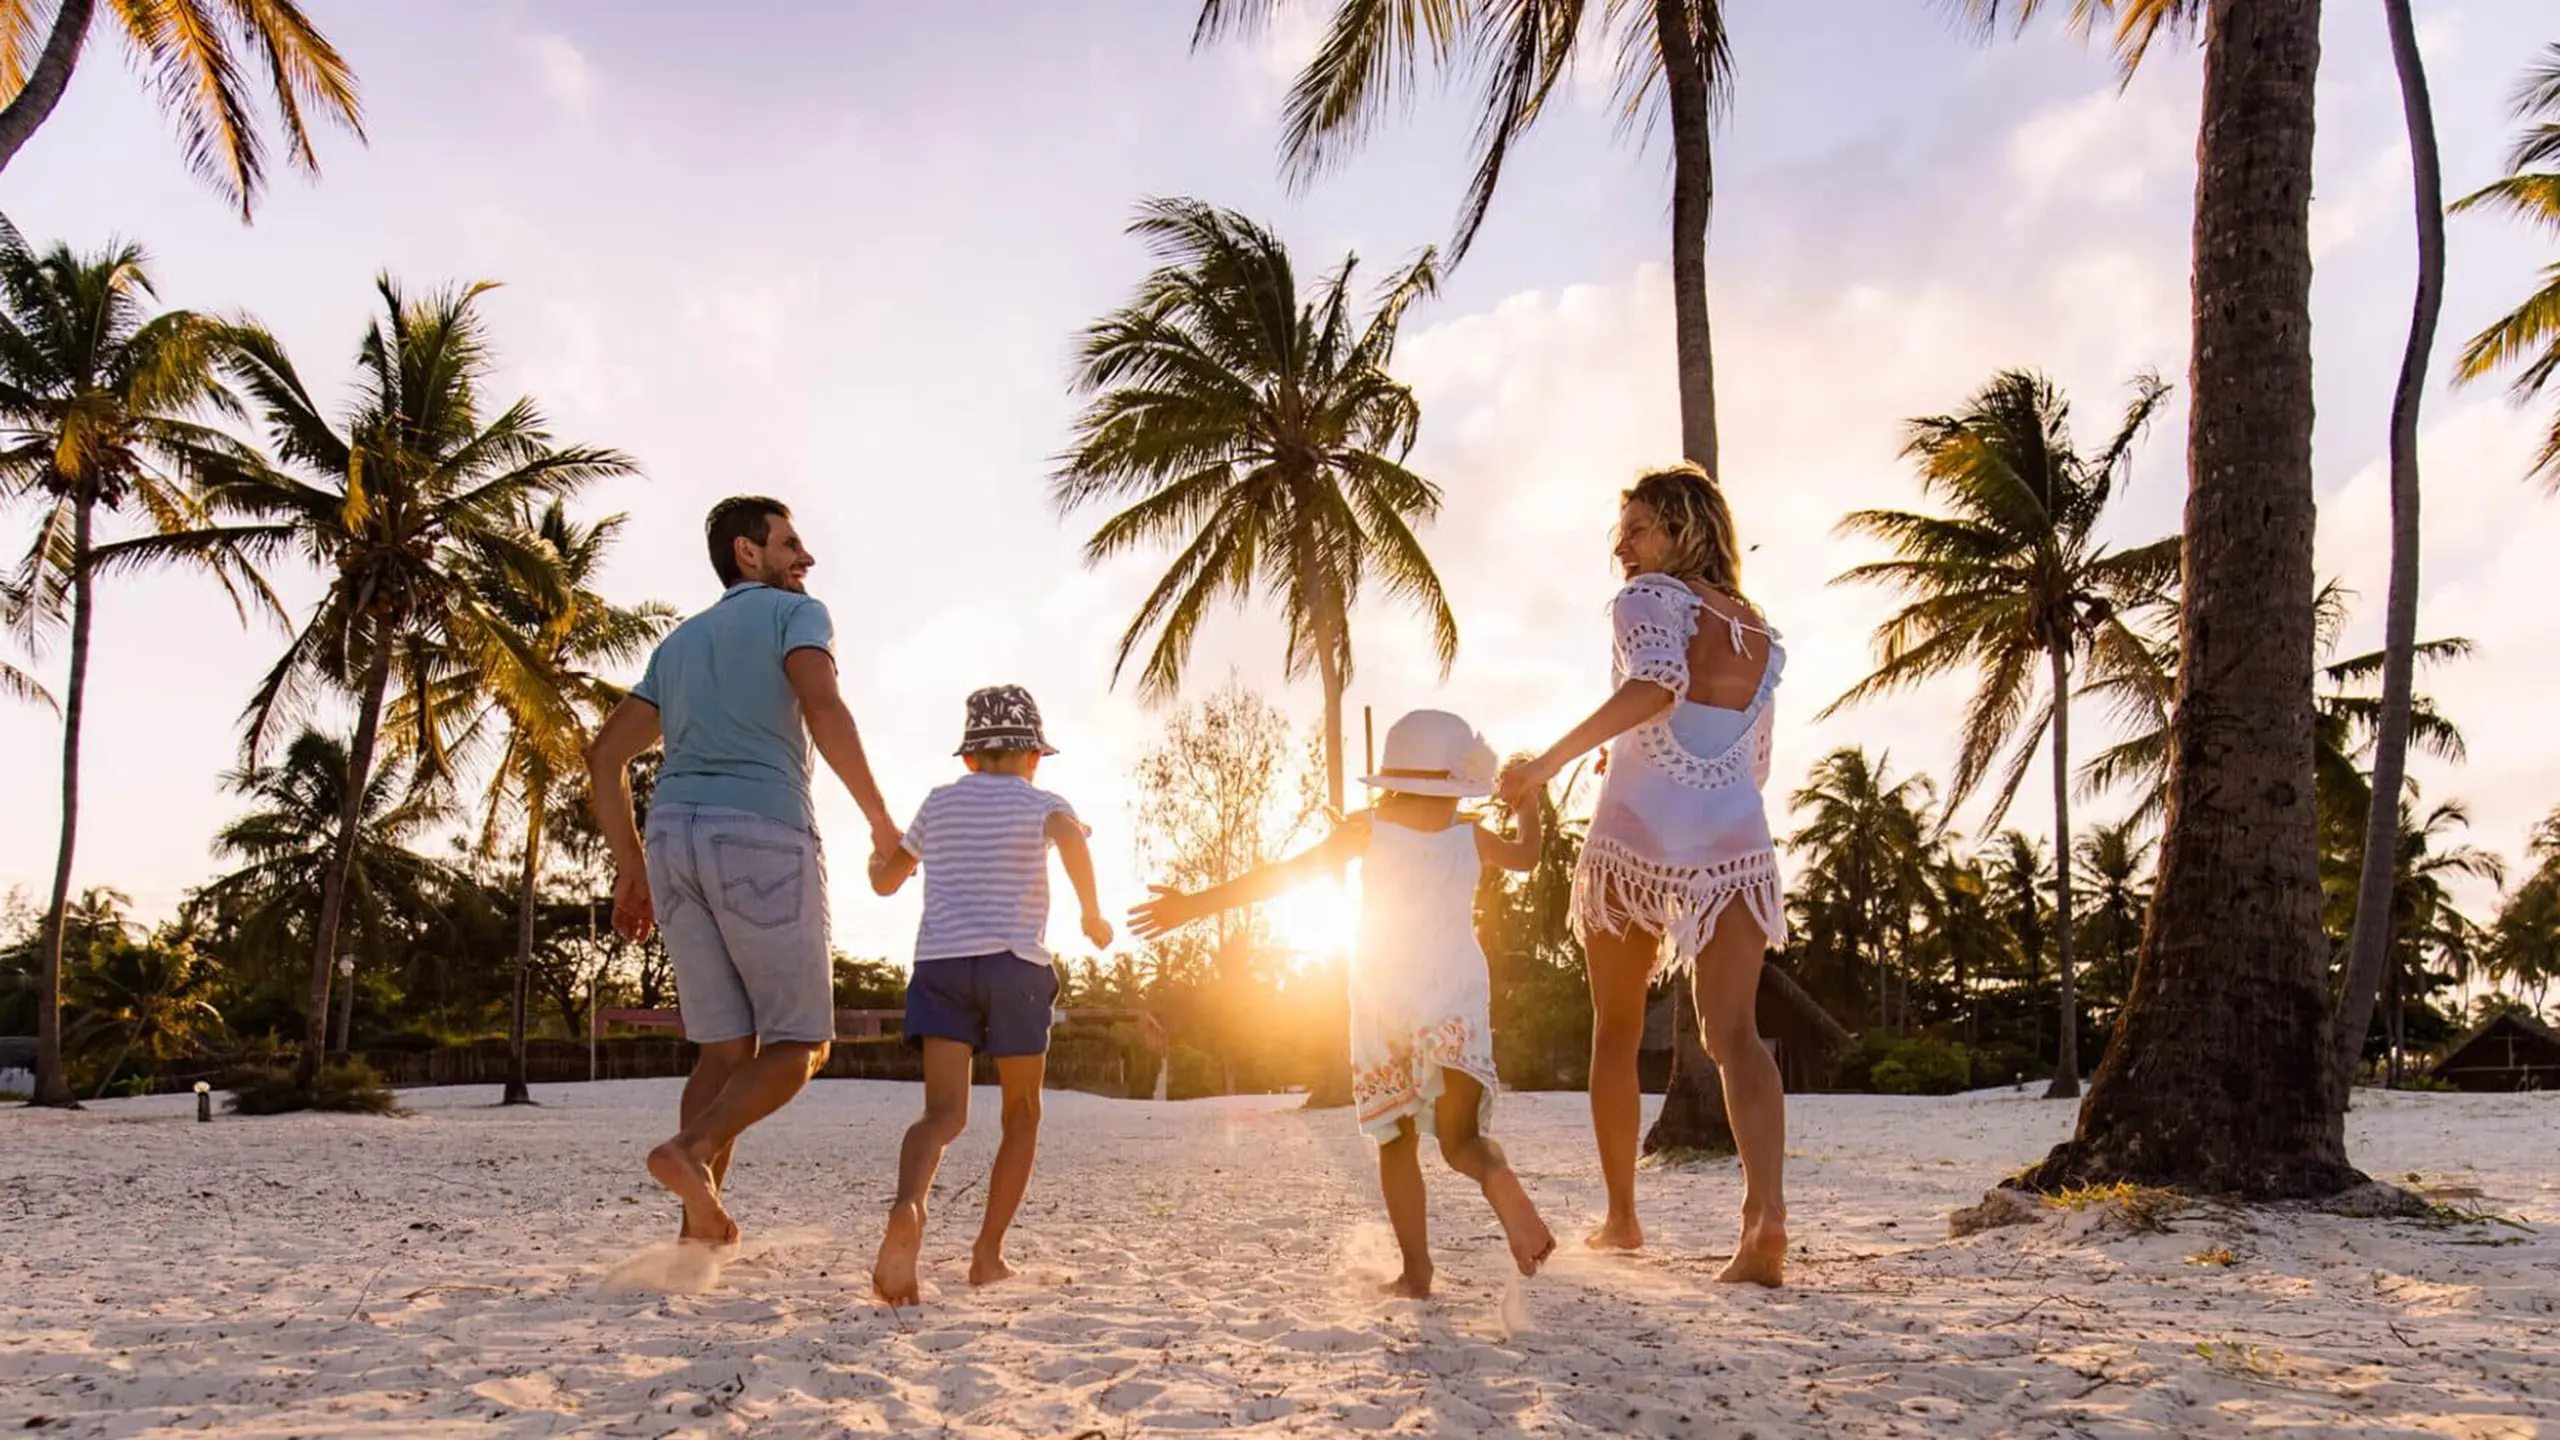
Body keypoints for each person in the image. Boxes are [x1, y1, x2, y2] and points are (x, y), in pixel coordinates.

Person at [1134, 710, 1557, 1299]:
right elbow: (1528, 856)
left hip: (1386, 993)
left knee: (1397, 1137)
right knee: (1462, 1140)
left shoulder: (1366, 829)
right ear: (1456, 783)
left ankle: (1416, 1271)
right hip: (1456, 992)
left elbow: (1280, 877)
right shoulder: (1471, 836)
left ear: (1392, 778)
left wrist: (1192, 905)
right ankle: (1497, 1177)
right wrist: (1528, 803)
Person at [1496, 462, 1790, 1286]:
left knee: (1616, 1031)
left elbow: (1656, 685)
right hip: (1734, 839)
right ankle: (1764, 1218)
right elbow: (1750, 763)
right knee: (1734, 1032)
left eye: (1638, 528)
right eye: (1619, 532)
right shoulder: (1761, 635)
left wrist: (1549, 763)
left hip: (1633, 839)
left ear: (1683, 526)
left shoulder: (1647, 600)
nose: (1621, 547)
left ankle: (1623, 1218)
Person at [585, 495, 901, 1248]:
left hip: (672, 840)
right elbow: (822, 707)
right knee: (801, 1045)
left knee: (725, 1051)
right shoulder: (798, 615)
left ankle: (696, 1232)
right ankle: (688, 1153)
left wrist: (632, 871)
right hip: (761, 831)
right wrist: (882, 824)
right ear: (747, 554)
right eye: (791, 543)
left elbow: (603, 758)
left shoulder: (680, 643)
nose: (807, 559)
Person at [866, 685, 1112, 1304]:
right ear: (1033, 755)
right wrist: (1091, 911)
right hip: (1014, 969)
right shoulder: (1044, 803)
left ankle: (908, 1207)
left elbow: (888, 881)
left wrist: (878, 862)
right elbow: (1072, 836)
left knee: (943, 1114)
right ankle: (986, 1255)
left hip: (941, 966)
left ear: (971, 757)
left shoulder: (939, 804)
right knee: (1021, 1114)